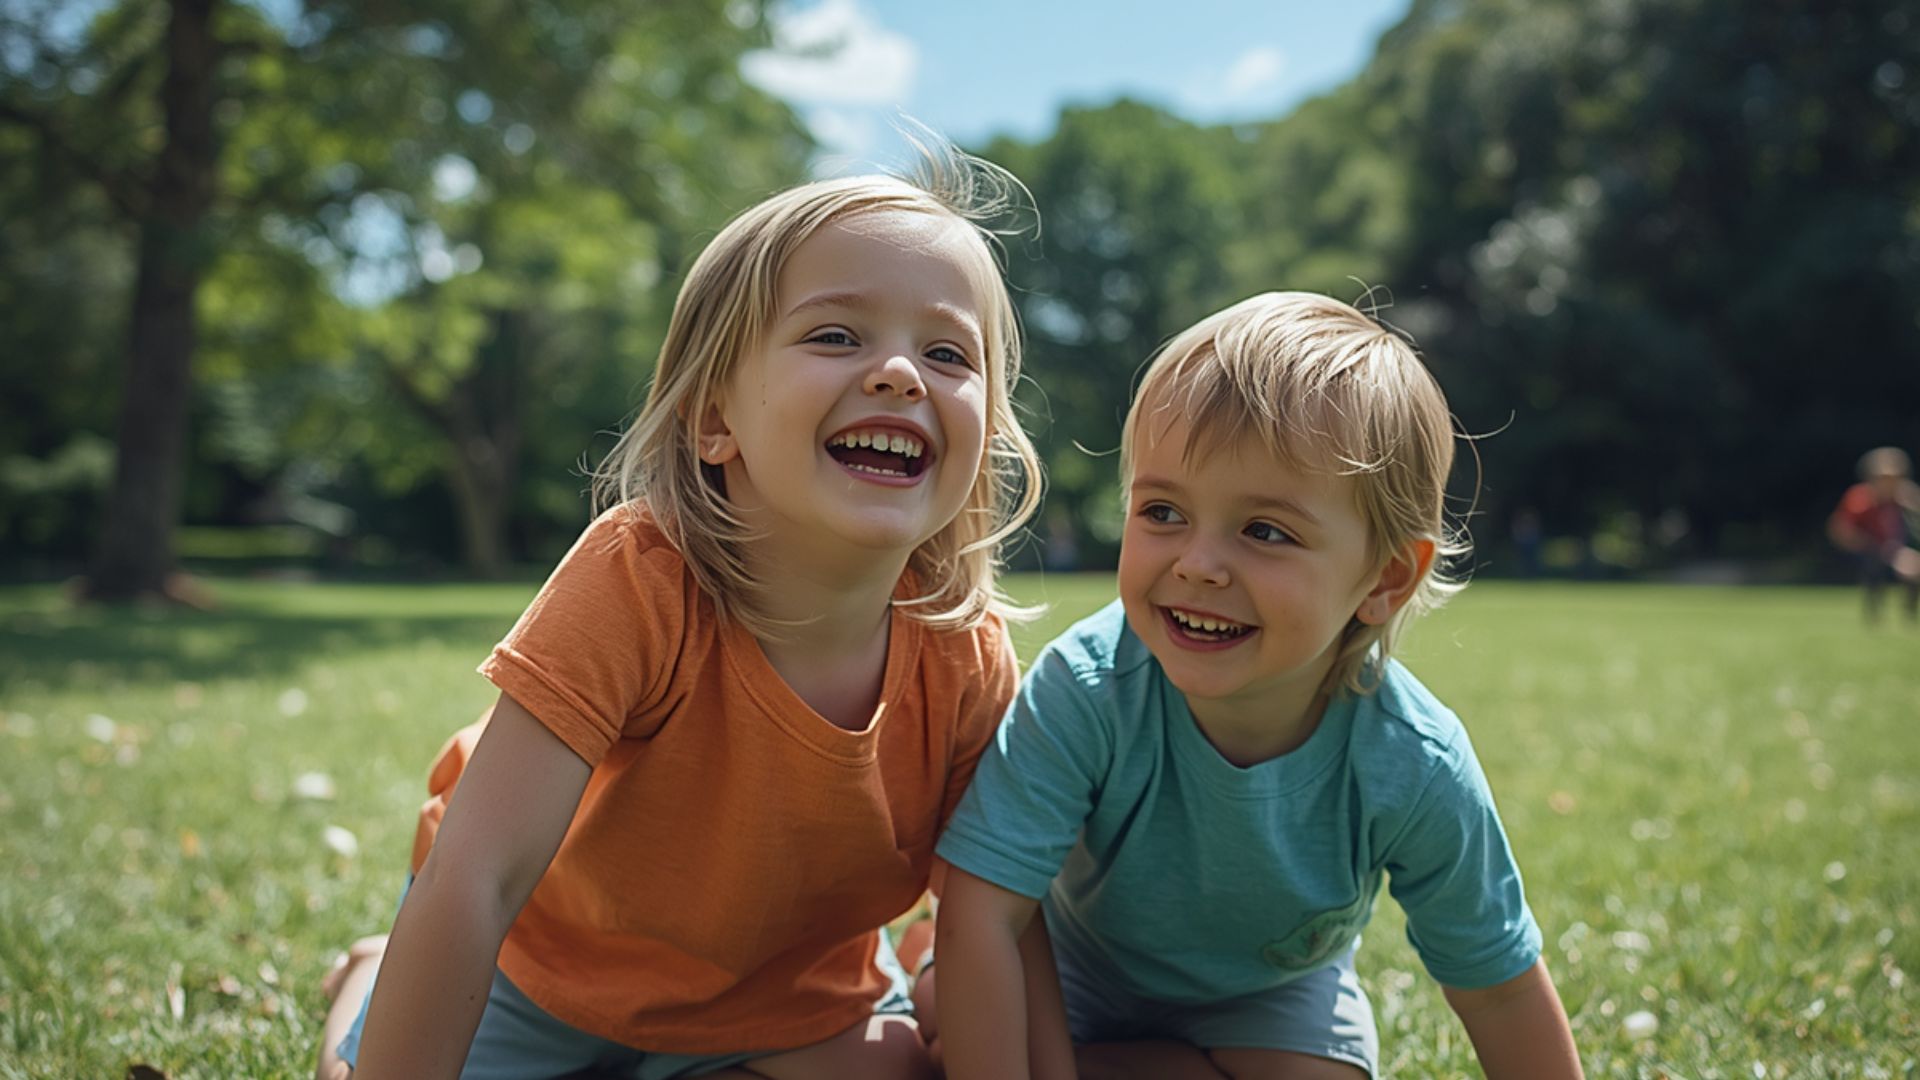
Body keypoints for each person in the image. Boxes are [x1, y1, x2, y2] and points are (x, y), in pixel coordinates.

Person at [313, 145, 1044, 1080]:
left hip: (779, 996)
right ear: (714, 420)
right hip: (541, 969)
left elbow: (987, 911)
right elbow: (477, 879)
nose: (902, 373)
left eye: (948, 353)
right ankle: (364, 985)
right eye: (834, 336)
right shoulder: (643, 580)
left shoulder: (962, 653)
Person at [930, 292, 1583, 1080]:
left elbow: (1499, 990)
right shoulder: (1089, 687)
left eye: (1265, 531)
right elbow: (983, 914)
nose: (1198, 563)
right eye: (1163, 511)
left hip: (1266, 999)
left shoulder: (1412, 762)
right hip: (1074, 969)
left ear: (1384, 578)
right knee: (948, 1013)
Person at [1827, 446, 1920, 625]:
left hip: (1892, 550)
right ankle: (1874, 614)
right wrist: (1870, 546)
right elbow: (1840, 529)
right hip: (1863, 549)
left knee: (1915, 567)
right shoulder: (1859, 499)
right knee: (1873, 565)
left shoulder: (1903, 499)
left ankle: (1909, 613)